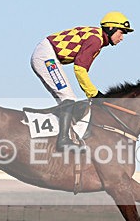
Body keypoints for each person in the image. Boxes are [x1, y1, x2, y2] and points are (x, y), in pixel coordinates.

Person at [30, 11, 133, 151]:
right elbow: (79, 68)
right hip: (46, 56)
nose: (122, 38)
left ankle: (63, 136)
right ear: (110, 28)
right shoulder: (96, 40)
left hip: (49, 54)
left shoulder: (98, 39)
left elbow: (82, 70)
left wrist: (92, 93)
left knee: (66, 100)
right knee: (68, 98)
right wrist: (94, 94)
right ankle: (63, 141)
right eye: (121, 32)